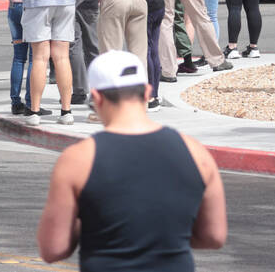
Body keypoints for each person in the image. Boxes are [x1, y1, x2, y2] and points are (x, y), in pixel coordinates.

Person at [36, 50, 227, 268]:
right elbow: (214, 235)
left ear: (97, 98)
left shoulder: (78, 159)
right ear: (146, 93)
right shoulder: (195, 152)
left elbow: (53, 248)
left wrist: (88, 224)